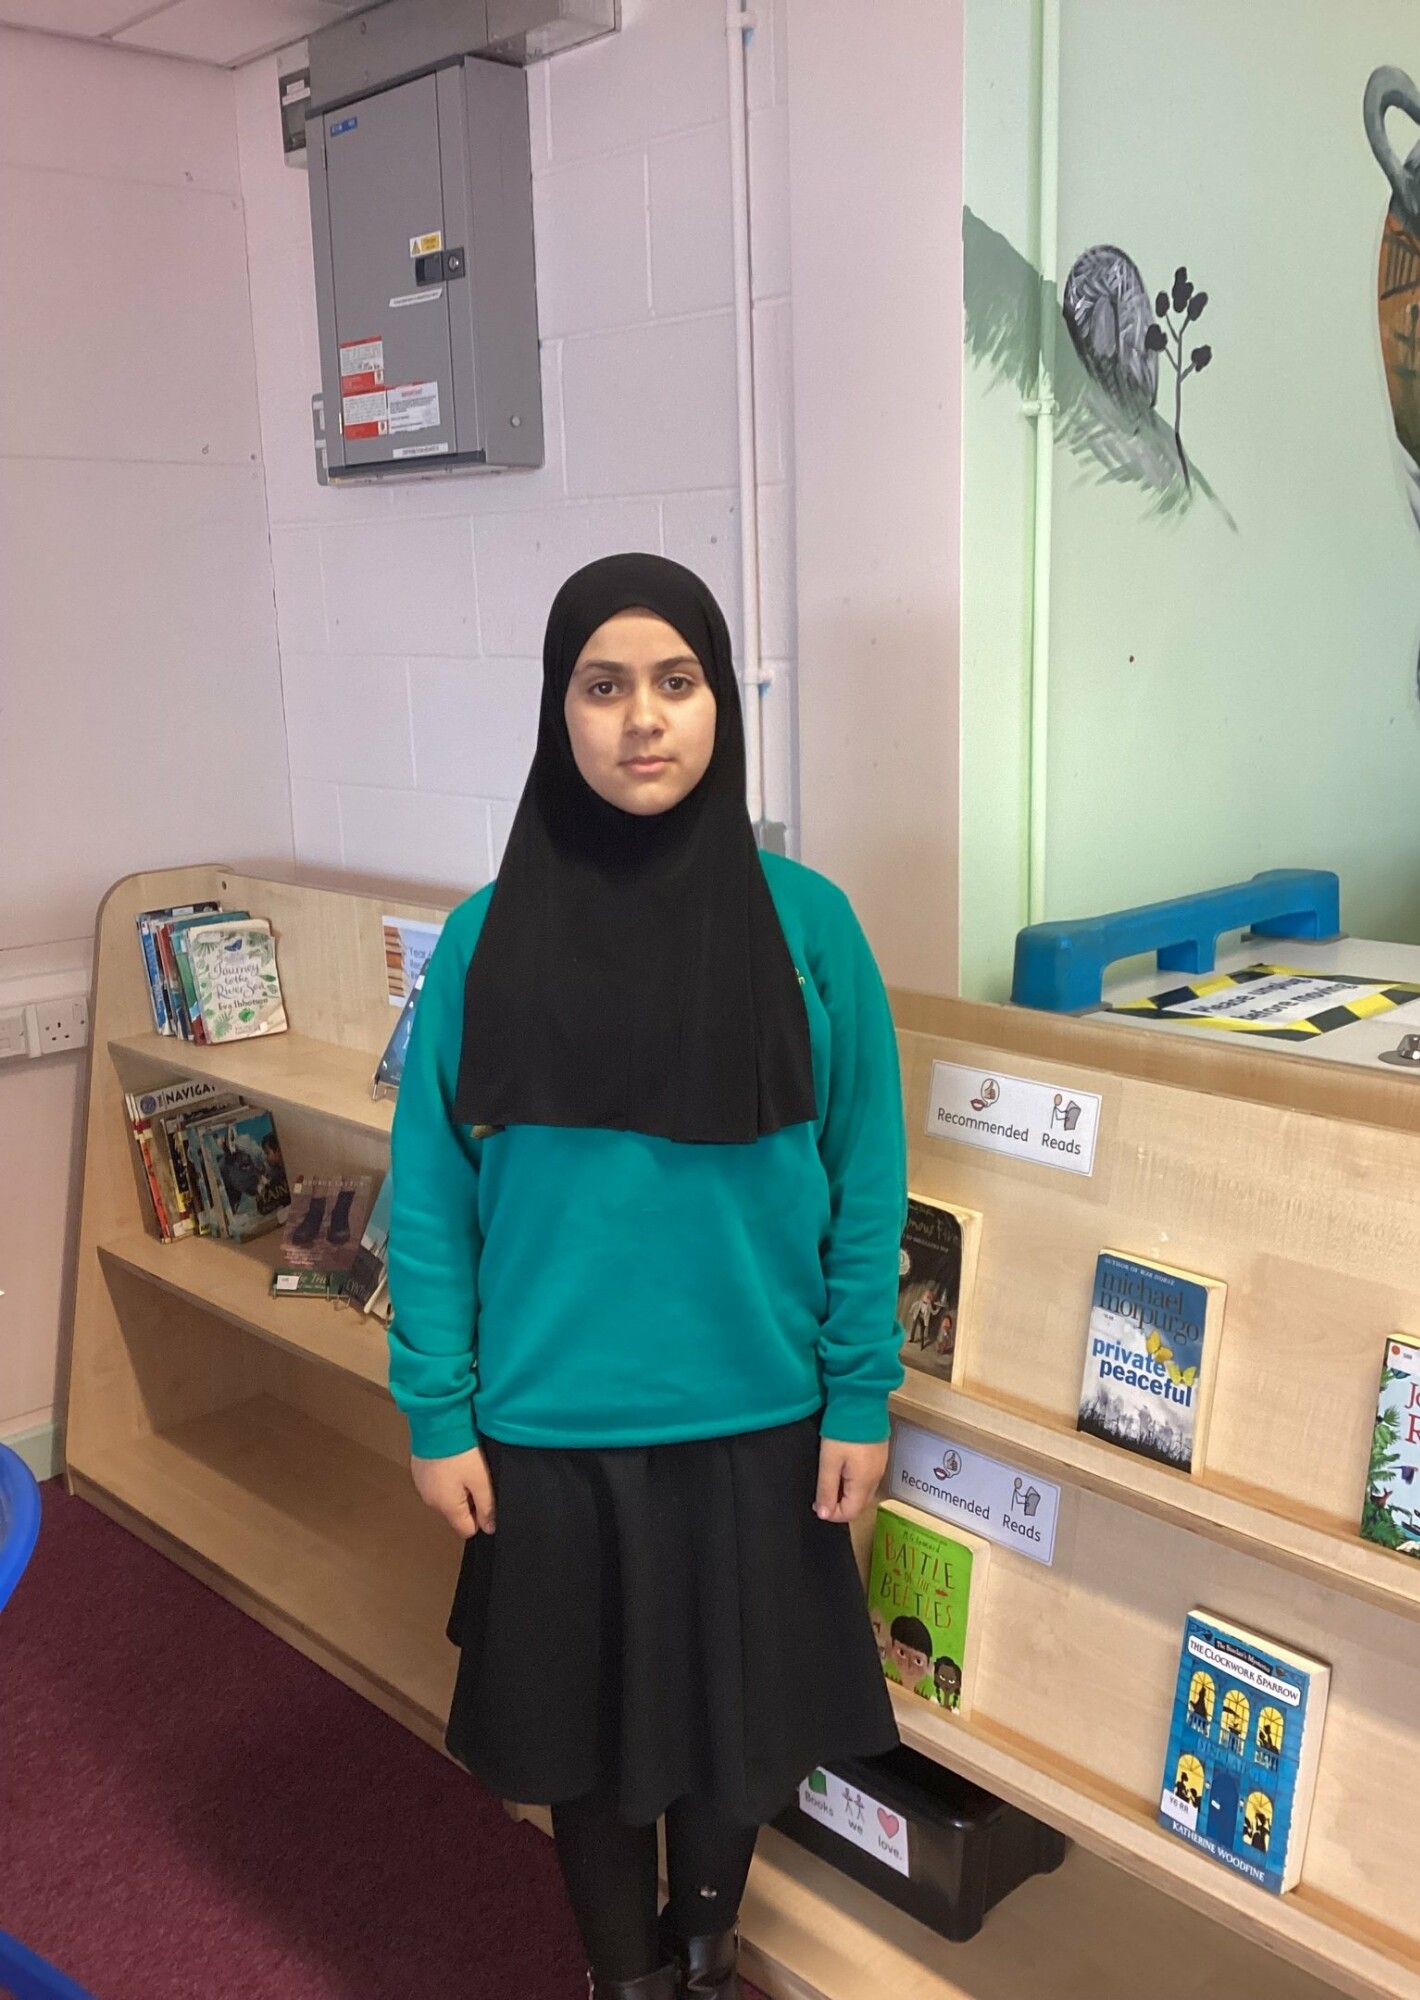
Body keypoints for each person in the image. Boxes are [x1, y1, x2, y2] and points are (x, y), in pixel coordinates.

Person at [386, 554, 908, 2000]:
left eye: (676, 682)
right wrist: (437, 1412)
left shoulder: (810, 927)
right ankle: (624, 1981)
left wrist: (860, 1393)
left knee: (736, 1735)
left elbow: (868, 1179)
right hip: (550, 1428)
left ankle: (705, 1955)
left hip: (760, 1415)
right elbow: (430, 1197)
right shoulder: (484, 939)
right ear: (558, 712)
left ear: (719, 703)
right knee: (589, 1748)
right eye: (602, 685)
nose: (641, 719)